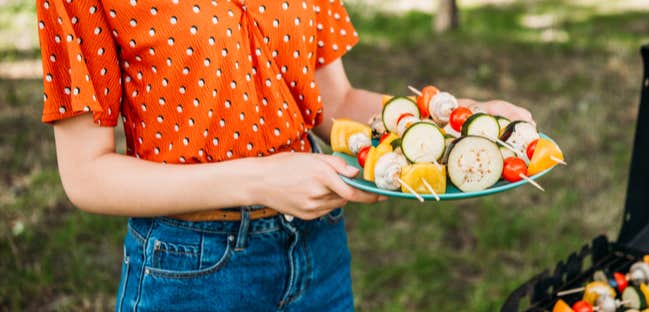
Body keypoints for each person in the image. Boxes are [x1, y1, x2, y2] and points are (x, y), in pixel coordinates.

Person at [35, 0, 534, 310]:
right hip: (193, 271)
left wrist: (454, 121)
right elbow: (86, 175)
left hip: (319, 251)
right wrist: (257, 179)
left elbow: (333, 105)